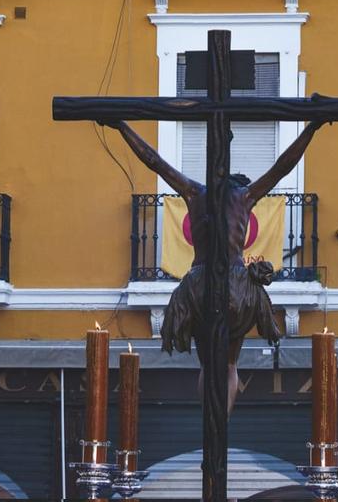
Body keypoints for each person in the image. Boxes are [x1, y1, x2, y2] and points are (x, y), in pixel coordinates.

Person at [102, 117, 324, 414]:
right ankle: (221, 424)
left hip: (198, 286)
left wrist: (122, 127)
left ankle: (210, 425)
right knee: (230, 363)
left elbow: (153, 160)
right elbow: (284, 165)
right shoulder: (244, 197)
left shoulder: (194, 193)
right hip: (236, 286)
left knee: (208, 363)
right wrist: (311, 128)